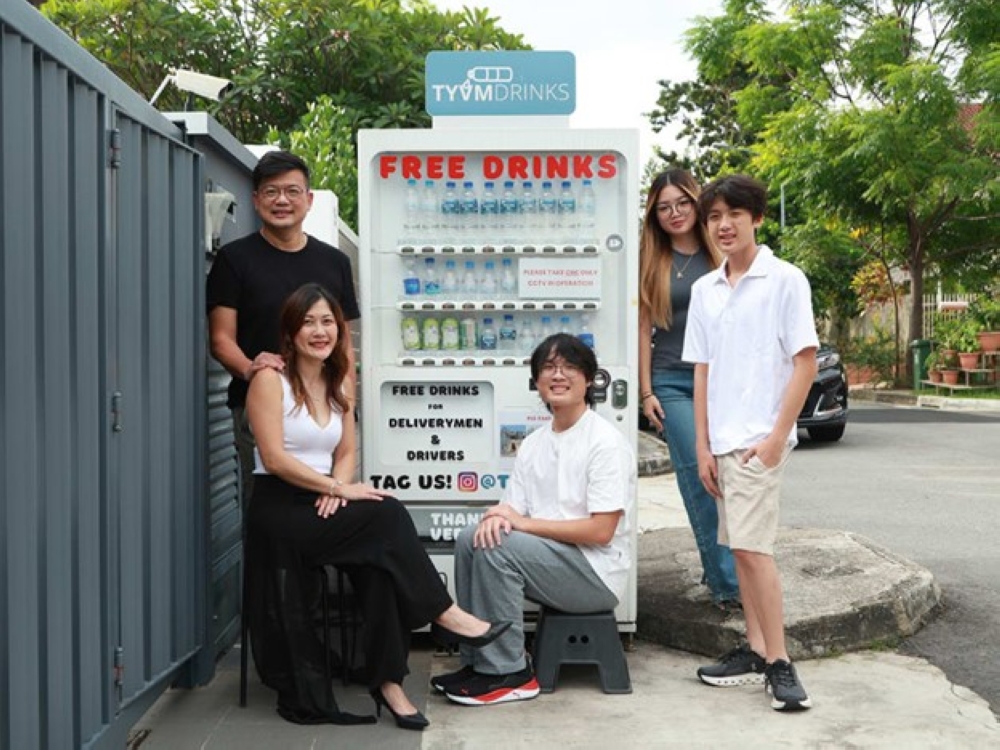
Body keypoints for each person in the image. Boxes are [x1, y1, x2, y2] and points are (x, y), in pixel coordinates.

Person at [245, 283, 510, 730]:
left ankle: (389, 684)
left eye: (327, 321)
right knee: (386, 512)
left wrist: (336, 487)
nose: (319, 330)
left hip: (322, 501)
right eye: (308, 322)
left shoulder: (339, 379)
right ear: (290, 332)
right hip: (280, 510)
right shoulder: (270, 380)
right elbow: (274, 458)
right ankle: (443, 612)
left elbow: (347, 450)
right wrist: (338, 488)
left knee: (381, 567)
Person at [433, 333, 637, 706]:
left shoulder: (605, 442)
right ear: (537, 381)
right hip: (554, 562)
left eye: (570, 367)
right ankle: (478, 662)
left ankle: (509, 673)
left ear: (588, 379)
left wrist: (522, 524)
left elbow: (601, 531)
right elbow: (510, 513)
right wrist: (498, 518)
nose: (558, 375)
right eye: (548, 367)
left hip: (595, 573)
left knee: (499, 545)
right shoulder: (535, 443)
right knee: (471, 537)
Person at [683, 175, 817, 711]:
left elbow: (804, 362)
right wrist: (701, 445)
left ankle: (780, 663)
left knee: (754, 551)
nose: (723, 225)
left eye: (734, 214)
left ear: (756, 218)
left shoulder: (785, 280)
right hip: (721, 442)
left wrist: (775, 438)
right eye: (714, 216)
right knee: (738, 547)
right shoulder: (704, 290)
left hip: (758, 441)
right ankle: (758, 649)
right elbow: (701, 372)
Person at [206, 150, 360, 506]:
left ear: (308, 200)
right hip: (260, 404)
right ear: (256, 200)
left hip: (325, 404)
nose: (282, 201)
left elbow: (343, 342)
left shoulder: (333, 262)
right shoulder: (235, 260)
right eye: (271, 192)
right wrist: (251, 368)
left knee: (331, 503)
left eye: (292, 191)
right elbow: (220, 339)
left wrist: (346, 397)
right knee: (267, 507)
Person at [638, 168, 740, 609]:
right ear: (654, 215)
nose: (674, 213)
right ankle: (727, 587)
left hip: (722, 381)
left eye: (682, 203)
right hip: (672, 382)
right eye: (664, 207)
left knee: (733, 479)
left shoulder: (721, 249)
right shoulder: (652, 259)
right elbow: (643, 328)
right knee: (699, 481)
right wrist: (646, 392)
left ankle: (722, 568)